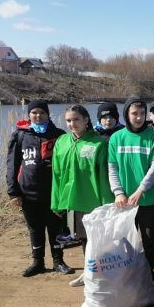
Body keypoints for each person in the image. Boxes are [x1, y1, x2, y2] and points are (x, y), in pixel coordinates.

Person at [6, 100, 71, 277]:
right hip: (29, 192)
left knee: (55, 228)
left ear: (48, 114)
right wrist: (13, 191)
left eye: (42, 112)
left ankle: (58, 261)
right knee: (35, 228)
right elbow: (12, 164)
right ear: (29, 115)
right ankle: (38, 262)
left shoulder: (59, 134)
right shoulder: (20, 135)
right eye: (34, 113)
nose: (38, 116)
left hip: (54, 193)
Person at [51, 105, 112, 285]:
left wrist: (107, 204)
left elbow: (103, 176)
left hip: (93, 201)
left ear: (86, 120)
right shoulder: (61, 142)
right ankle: (88, 273)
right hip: (73, 200)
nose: (72, 124)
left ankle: (99, 273)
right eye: (69, 120)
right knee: (83, 238)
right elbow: (56, 174)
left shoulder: (99, 143)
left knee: (96, 241)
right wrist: (56, 202)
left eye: (76, 119)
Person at [108, 97, 154, 271]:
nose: (139, 117)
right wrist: (118, 192)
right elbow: (112, 168)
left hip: (147, 199)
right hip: (124, 201)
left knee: (149, 240)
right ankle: (130, 276)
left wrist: (141, 190)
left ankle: (151, 276)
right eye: (134, 114)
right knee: (126, 240)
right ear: (126, 114)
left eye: (141, 113)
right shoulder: (116, 138)